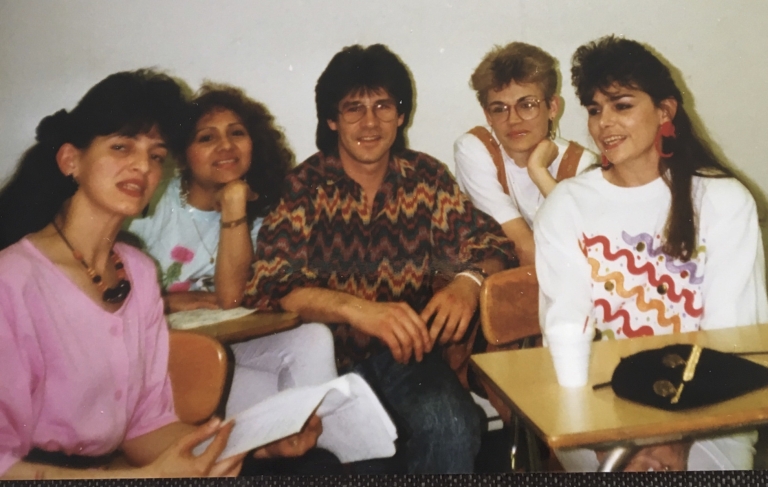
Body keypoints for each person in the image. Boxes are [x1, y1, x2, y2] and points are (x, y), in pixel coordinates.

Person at [0, 70, 320, 480]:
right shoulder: (15, 279)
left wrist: (257, 446)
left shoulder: (137, 272)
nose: (142, 166)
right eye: (121, 147)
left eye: (155, 155)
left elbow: (146, 428)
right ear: (70, 160)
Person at [243, 44, 517, 474]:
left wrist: (469, 282)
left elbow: (493, 245)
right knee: (360, 462)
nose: (369, 123)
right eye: (353, 109)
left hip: (406, 357)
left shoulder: (426, 178)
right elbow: (269, 286)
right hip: (323, 363)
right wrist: (358, 311)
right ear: (332, 119)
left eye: (382, 106)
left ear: (401, 115)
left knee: (455, 423)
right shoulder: (305, 187)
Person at [534, 36, 768, 471]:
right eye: (594, 109)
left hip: (712, 412)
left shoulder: (723, 200)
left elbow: (732, 343)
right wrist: (612, 436)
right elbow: (564, 336)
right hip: (598, 412)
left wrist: (673, 438)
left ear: (665, 111)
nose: (604, 123)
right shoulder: (566, 206)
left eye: (621, 105)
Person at [126, 84, 338, 414]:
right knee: (273, 399)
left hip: (230, 344)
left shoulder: (268, 217)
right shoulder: (153, 205)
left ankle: (327, 453)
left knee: (313, 339)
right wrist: (171, 301)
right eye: (207, 138)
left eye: (237, 133)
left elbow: (231, 298)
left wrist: (235, 203)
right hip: (157, 352)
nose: (225, 146)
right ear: (183, 152)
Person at [454, 42, 597, 266]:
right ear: (487, 116)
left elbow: (592, 252)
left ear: (552, 107)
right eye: (499, 109)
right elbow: (522, 246)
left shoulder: (581, 164)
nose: (513, 119)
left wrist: (539, 172)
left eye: (527, 105)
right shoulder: (475, 149)